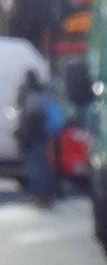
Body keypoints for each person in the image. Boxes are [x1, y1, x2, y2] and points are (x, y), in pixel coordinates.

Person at [15, 71, 57, 208]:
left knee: (35, 167)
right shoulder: (42, 95)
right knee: (43, 165)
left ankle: (40, 196)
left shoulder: (29, 96)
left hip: (32, 136)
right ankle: (46, 195)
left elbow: (27, 119)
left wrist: (23, 136)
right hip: (43, 135)